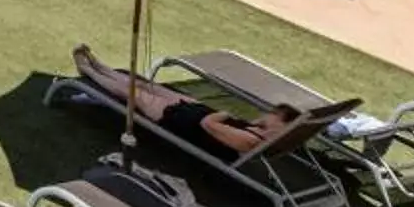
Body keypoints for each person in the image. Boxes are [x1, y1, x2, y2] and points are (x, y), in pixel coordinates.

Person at [69, 46, 295, 159]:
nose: (269, 114)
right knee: (148, 86)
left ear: (281, 127)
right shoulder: (259, 133)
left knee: (135, 94)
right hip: (195, 114)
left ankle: (89, 71)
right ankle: (101, 66)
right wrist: (259, 124)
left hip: (185, 124)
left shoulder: (250, 141)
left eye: (275, 116)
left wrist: (224, 113)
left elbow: (210, 126)